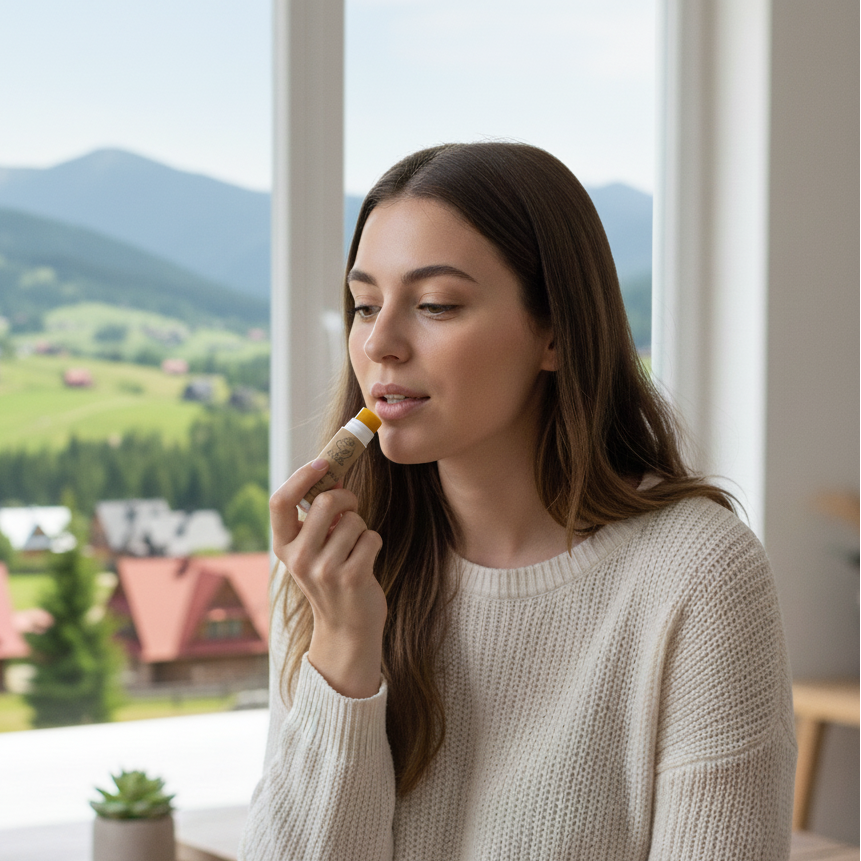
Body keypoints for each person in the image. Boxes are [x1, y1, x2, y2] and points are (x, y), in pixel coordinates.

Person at [239, 142, 796, 860]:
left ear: (555, 333)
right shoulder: (334, 564)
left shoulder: (697, 576)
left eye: (435, 304)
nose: (379, 342)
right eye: (364, 304)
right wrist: (344, 653)